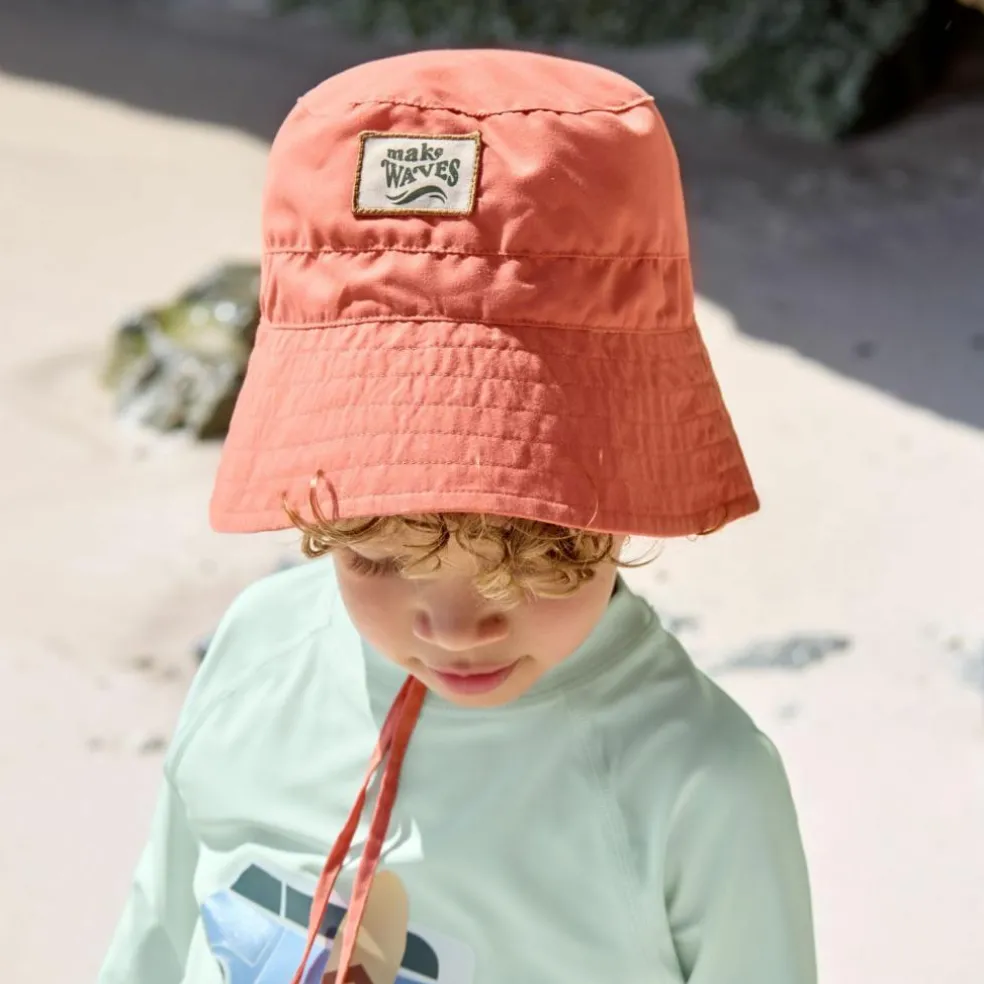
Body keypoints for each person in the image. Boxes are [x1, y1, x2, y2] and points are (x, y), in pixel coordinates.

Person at [98, 48, 816, 984]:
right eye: (377, 554)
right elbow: (157, 929)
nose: (453, 626)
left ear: (624, 486)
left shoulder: (695, 786)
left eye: (531, 549)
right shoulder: (260, 647)